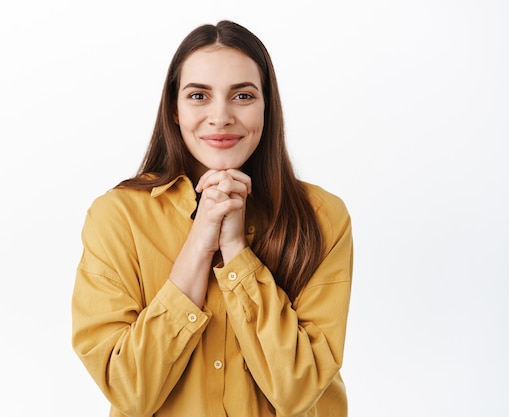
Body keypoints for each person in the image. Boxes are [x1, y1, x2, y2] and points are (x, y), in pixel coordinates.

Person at [72, 20, 353, 417]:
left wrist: (236, 253)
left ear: (267, 106)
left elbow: (298, 390)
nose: (220, 117)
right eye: (199, 95)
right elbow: (129, 390)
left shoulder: (324, 217)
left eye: (242, 95)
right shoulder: (117, 217)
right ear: (174, 108)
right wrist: (200, 243)